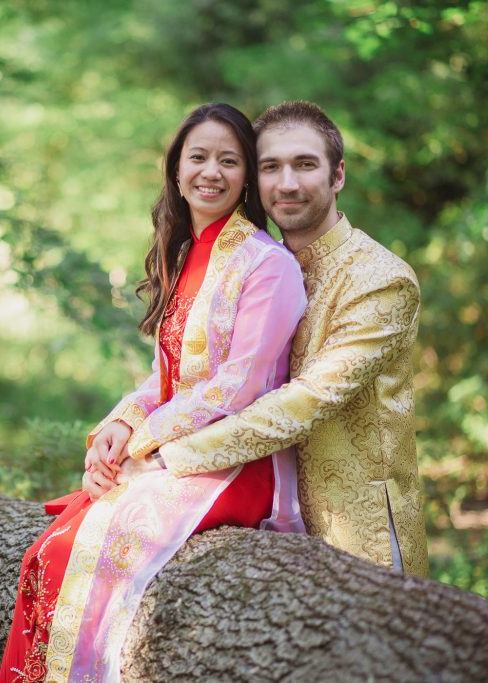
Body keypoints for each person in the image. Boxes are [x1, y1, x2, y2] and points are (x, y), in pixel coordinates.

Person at [0, 102, 308, 683]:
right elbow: (167, 375)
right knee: (48, 549)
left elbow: (237, 385)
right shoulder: (188, 254)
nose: (210, 172)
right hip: (172, 448)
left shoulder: (267, 265)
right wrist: (118, 427)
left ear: (246, 179)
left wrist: (142, 443)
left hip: (233, 461)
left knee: (75, 551)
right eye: (198, 157)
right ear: (176, 168)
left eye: (228, 160)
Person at [116, 100, 430, 577]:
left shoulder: (379, 279)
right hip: (267, 519)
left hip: (356, 531)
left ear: (338, 175)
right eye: (269, 167)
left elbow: (307, 400)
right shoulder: (258, 266)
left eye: (305, 165)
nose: (286, 183)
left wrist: (172, 457)